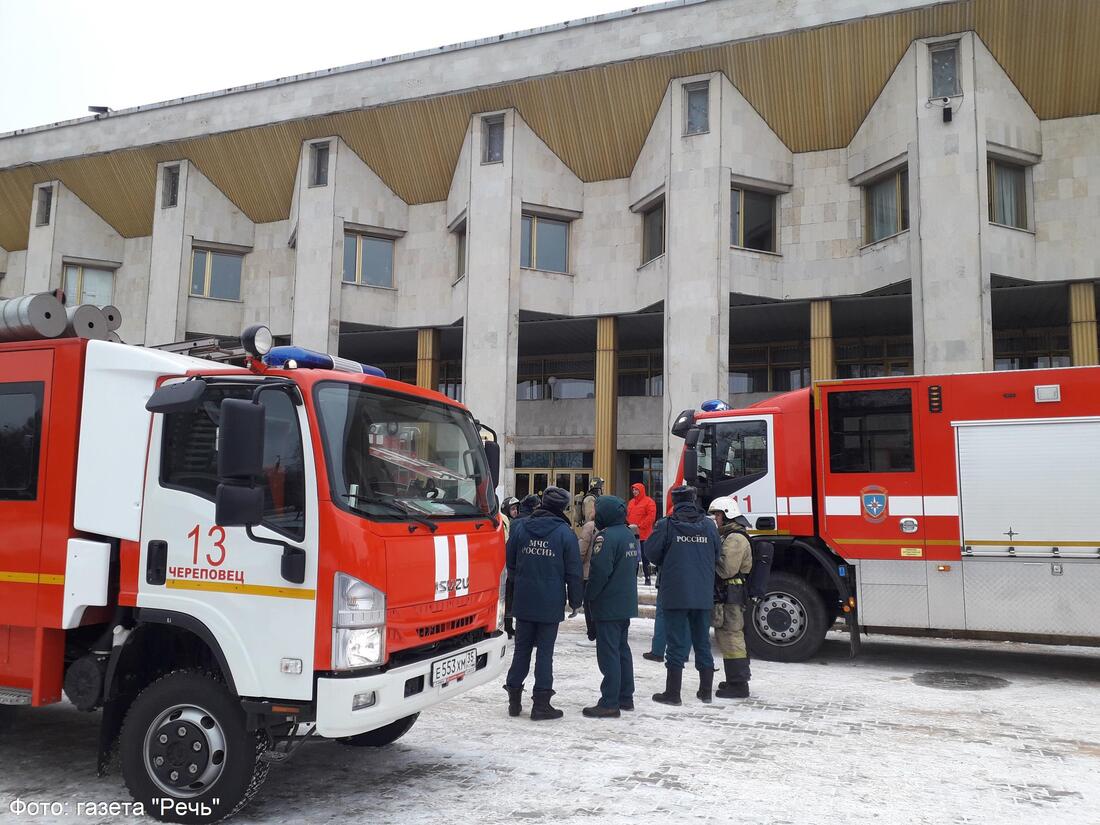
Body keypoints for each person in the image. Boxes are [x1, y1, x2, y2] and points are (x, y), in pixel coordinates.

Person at [504, 486, 583, 720]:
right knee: (544, 653)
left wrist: (519, 579)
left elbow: (510, 560)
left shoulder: (521, 527)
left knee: (522, 650)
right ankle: (541, 704)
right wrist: (575, 600)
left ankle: (514, 699)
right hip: (550, 602)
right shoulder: (565, 533)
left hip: (525, 599)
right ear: (562, 507)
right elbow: (574, 572)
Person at [644, 485, 720, 706]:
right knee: (702, 643)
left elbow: (651, 552)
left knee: (676, 643)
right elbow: (717, 554)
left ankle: (673, 693)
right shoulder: (709, 525)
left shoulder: (666, 525)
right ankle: (706, 692)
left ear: (674, 502)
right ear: (694, 499)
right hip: (702, 593)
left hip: (675, 592)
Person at [581, 495, 639, 718]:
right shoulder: (628, 534)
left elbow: (599, 573)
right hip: (625, 603)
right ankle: (626, 696)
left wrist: (589, 597)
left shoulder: (605, 538)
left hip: (608, 603)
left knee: (609, 654)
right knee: (622, 650)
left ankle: (610, 701)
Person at [708, 496, 754, 699]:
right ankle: (735, 679)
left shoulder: (735, 538)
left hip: (732, 595)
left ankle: (739, 684)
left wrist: (708, 559)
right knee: (726, 636)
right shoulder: (728, 535)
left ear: (727, 514)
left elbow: (727, 569)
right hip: (728, 594)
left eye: (717, 514)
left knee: (732, 635)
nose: (715, 519)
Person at [626, 483, 657, 585]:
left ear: (641, 490)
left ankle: (647, 578)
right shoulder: (631, 502)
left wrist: (640, 526)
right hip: (632, 535)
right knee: (632, 557)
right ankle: (632, 578)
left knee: (645, 557)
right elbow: (627, 516)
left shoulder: (649, 502)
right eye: (633, 490)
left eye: (636, 490)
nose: (634, 492)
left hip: (644, 535)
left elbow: (651, 517)